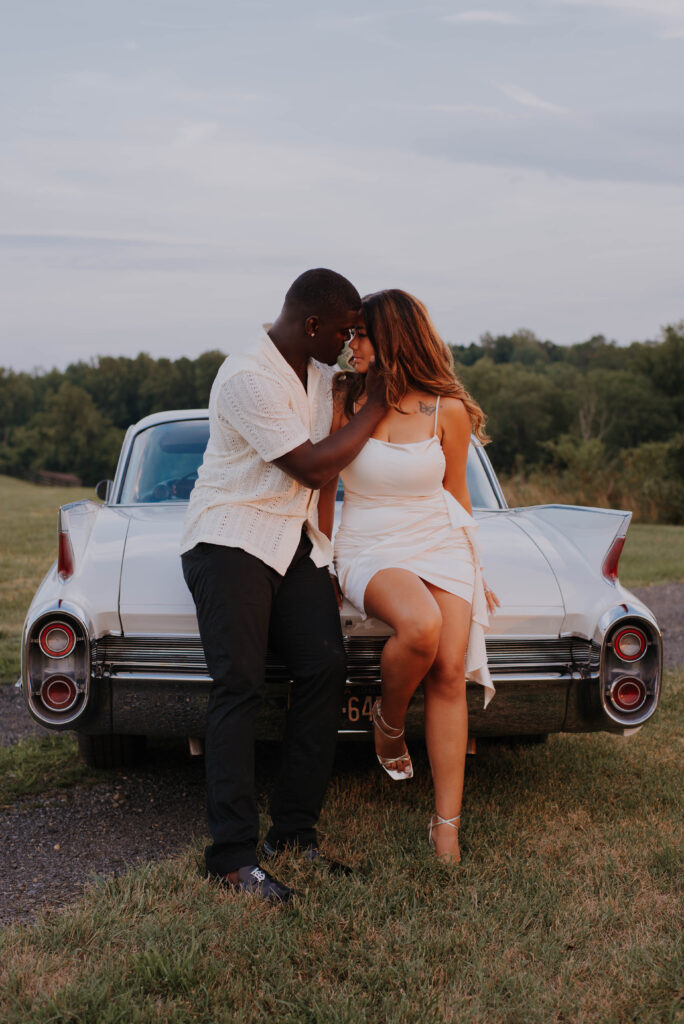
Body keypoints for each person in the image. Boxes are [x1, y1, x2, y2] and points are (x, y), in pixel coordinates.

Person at [180, 269, 388, 903]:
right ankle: (232, 857)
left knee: (326, 665)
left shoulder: (320, 374)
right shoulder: (247, 375)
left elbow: (324, 481)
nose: (351, 341)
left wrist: (323, 558)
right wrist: (376, 405)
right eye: (347, 329)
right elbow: (312, 464)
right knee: (238, 683)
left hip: (292, 542)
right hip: (229, 536)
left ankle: (293, 834)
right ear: (313, 325)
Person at [318, 289, 499, 864]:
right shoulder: (343, 397)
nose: (352, 345)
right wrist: (321, 557)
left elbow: (457, 493)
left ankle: (446, 826)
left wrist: (476, 565)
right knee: (419, 626)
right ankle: (388, 721)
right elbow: (325, 486)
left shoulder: (445, 408)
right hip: (369, 541)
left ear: (393, 338)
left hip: (440, 538)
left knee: (449, 670)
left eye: (362, 335)